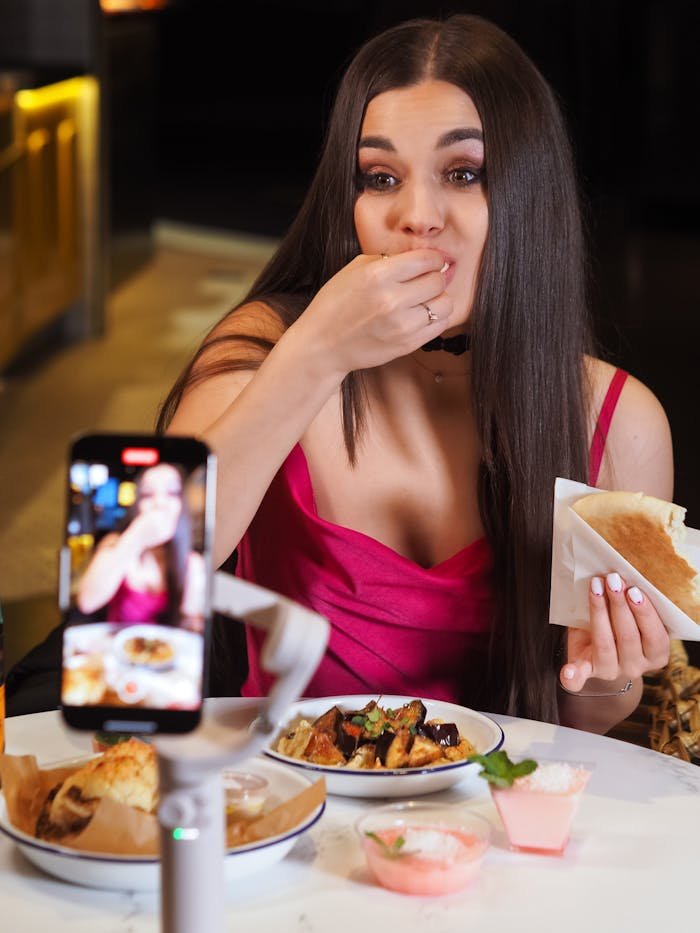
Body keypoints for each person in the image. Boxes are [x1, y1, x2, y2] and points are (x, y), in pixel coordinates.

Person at [158, 14, 672, 733]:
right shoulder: (268, 349)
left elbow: (584, 730)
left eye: (463, 174)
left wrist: (610, 670)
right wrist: (315, 355)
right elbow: (141, 573)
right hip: (284, 818)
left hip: (488, 828)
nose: (416, 215)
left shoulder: (618, 421)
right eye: (381, 177)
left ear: (530, 198)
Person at [76, 463, 206, 632]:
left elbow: (194, 631)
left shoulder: (192, 563)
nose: (160, 503)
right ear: (137, 504)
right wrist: (135, 538)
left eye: (172, 493)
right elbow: (87, 602)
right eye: (147, 494)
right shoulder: (115, 543)